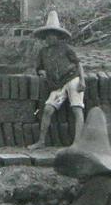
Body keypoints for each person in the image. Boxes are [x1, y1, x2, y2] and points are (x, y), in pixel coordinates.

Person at [27, 10, 86, 150]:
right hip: (57, 85)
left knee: (77, 109)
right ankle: (41, 141)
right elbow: (39, 68)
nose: (50, 38)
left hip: (72, 79)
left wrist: (82, 81)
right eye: (47, 35)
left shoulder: (66, 48)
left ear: (58, 36)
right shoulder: (43, 52)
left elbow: (78, 63)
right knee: (47, 109)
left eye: (52, 35)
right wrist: (42, 72)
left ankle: (77, 143)